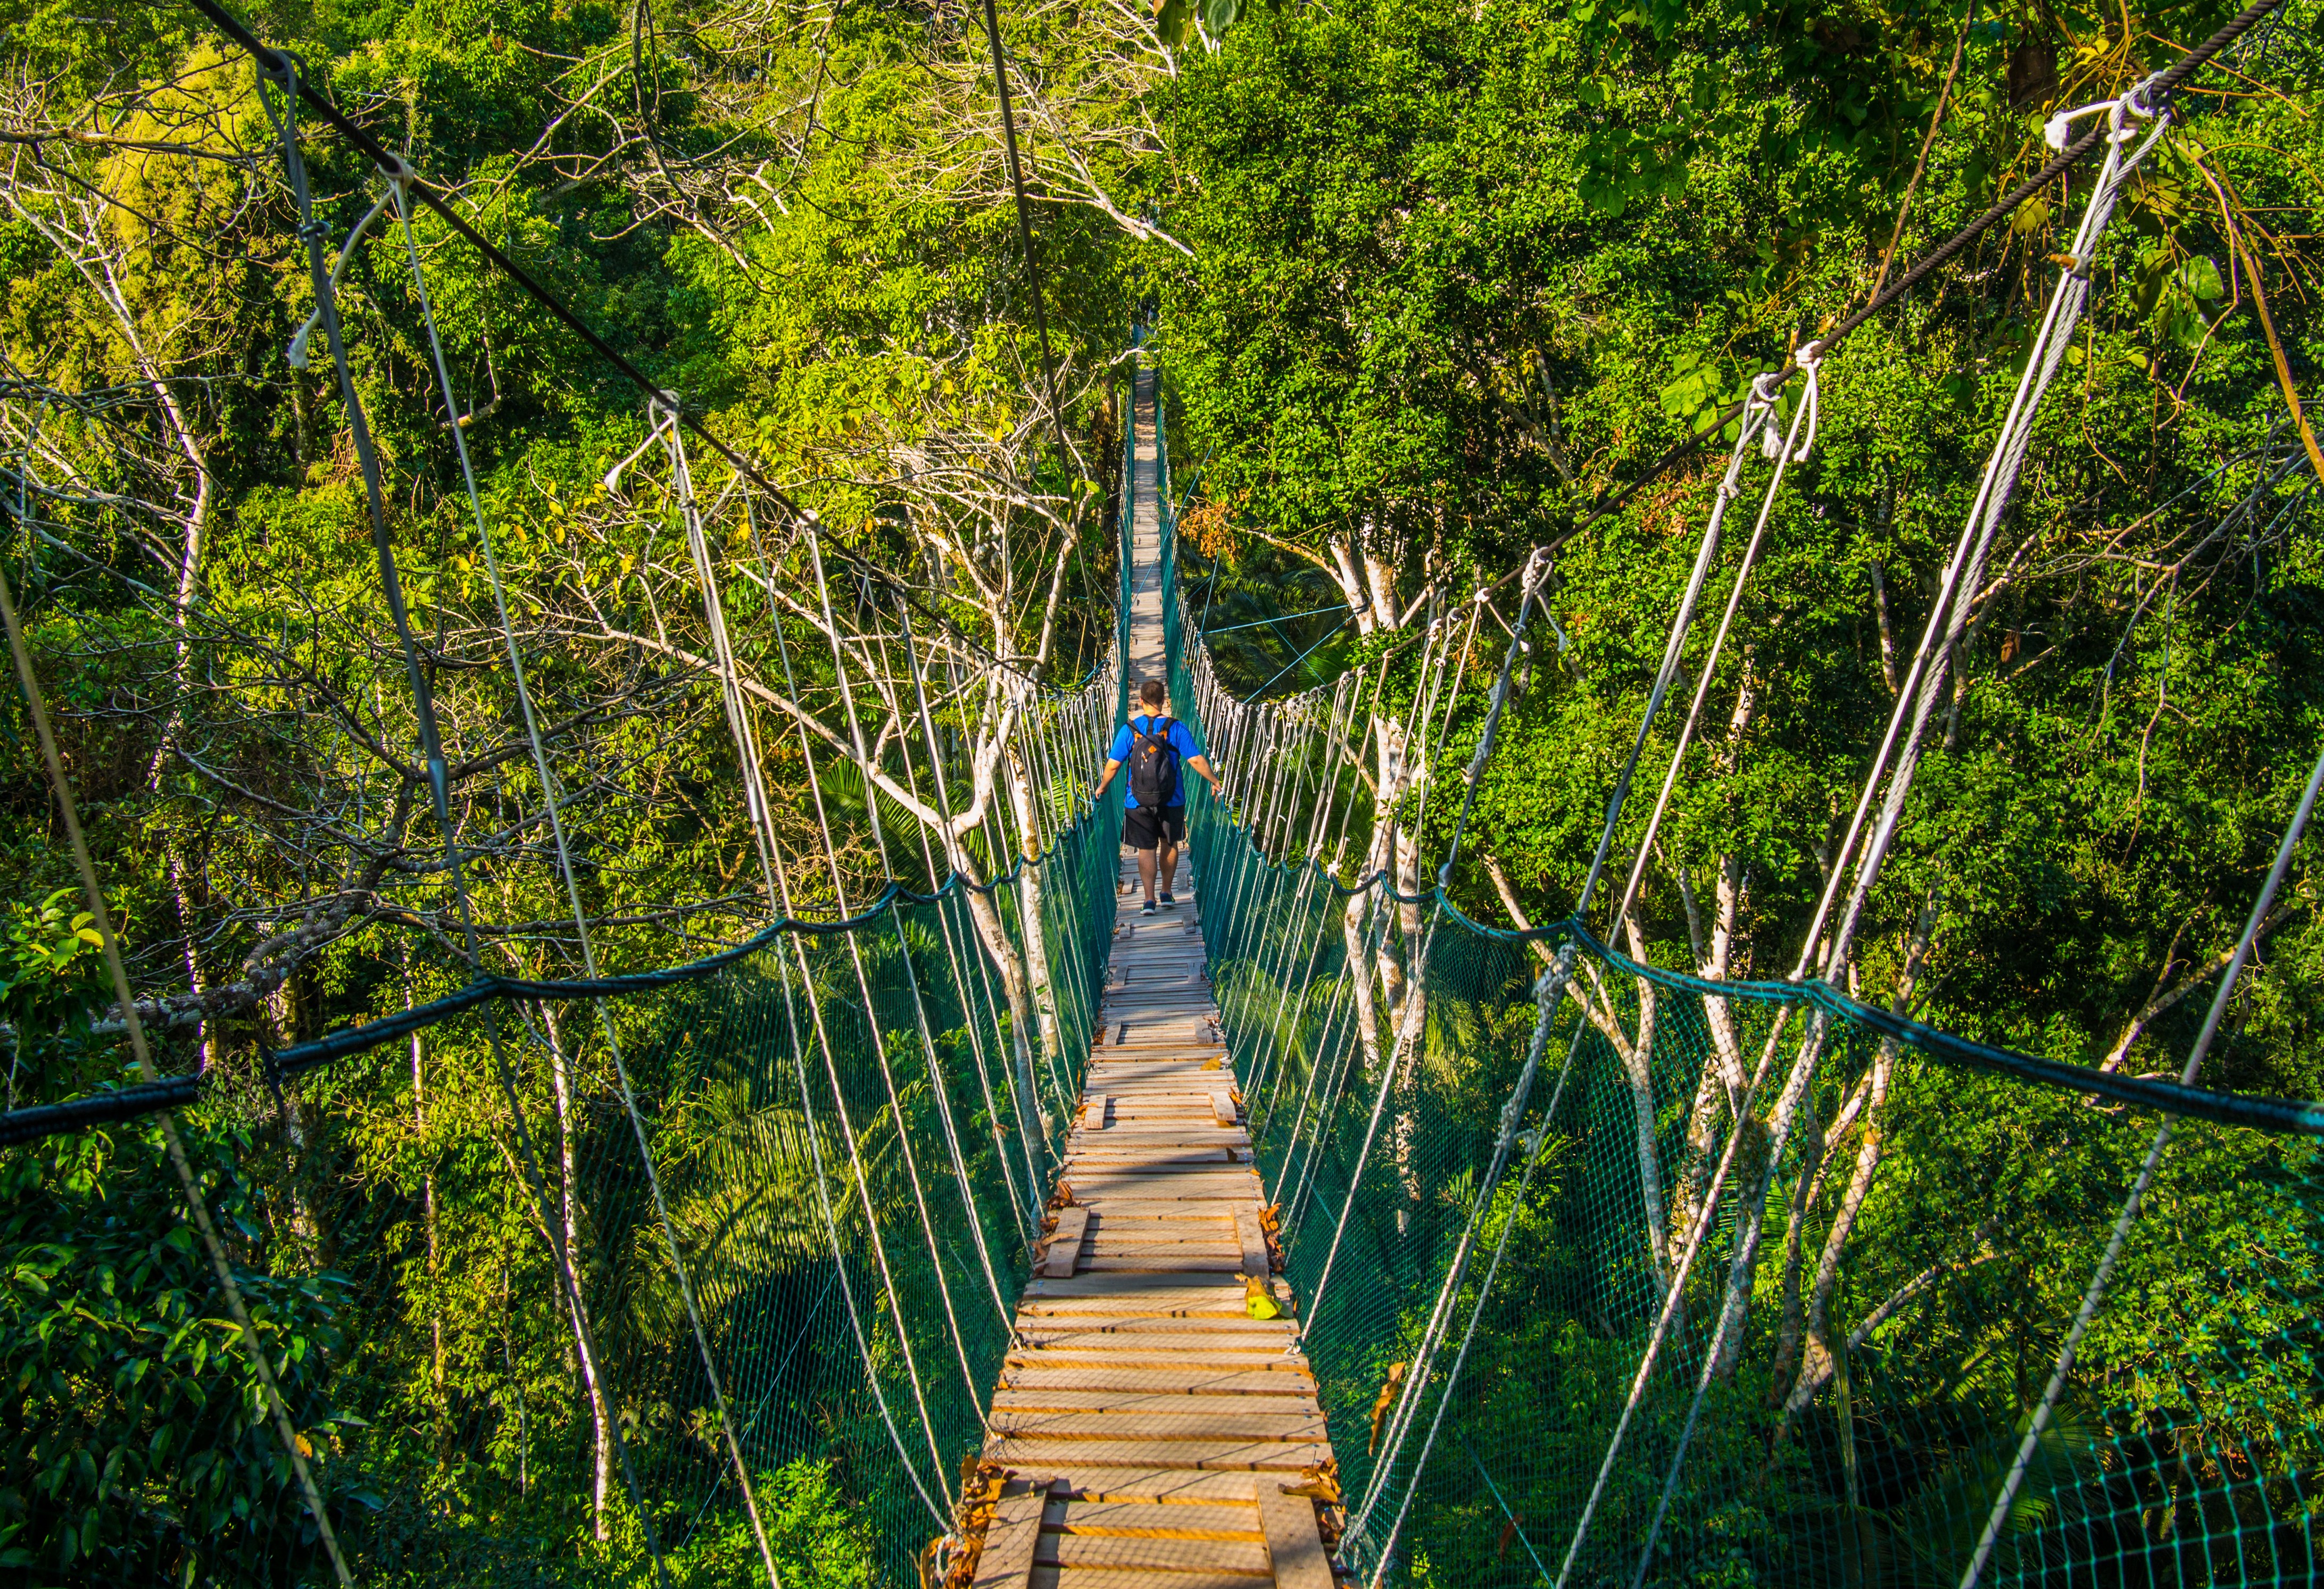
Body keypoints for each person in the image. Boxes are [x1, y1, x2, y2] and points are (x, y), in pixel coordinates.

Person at [1094, 678, 1222, 916]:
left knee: (1146, 848)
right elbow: (1195, 760)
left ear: (1140, 701)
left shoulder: (1129, 730)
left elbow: (1113, 766)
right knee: (1169, 843)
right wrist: (1214, 781)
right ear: (1163, 701)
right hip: (1171, 799)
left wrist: (1103, 787)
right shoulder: (1176, 727)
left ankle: (1149, 900)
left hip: (1137, 800)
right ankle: (1166, 892)